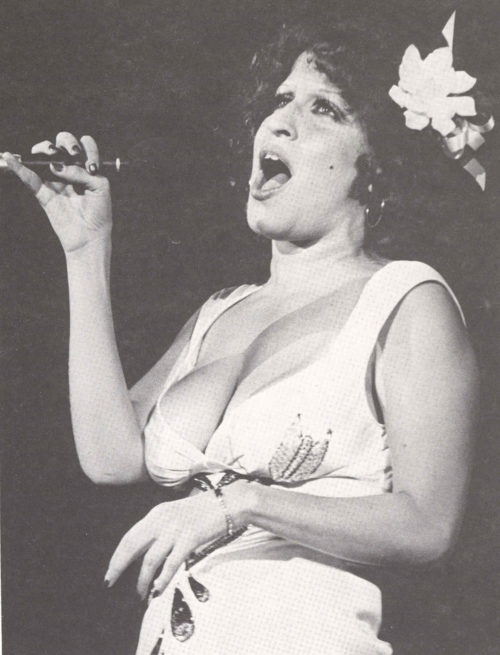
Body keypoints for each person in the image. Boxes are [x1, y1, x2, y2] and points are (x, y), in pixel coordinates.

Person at [2, 13, 482, 655]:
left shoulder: (406, 301)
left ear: (373, 169)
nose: (281, 120)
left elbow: (428, 523)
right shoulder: (220, 311)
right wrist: (86, 249)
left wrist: (240, 504)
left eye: (324, 109)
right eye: (280, 99)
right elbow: (111, 457)